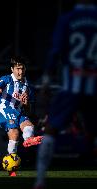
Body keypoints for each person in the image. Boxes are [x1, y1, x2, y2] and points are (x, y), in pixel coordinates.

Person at [34, 0, 97, 188]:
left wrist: (46, 77)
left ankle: (40, 181)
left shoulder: (67, 19)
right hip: (94, 87)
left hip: (71, 86)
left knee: (51, 128)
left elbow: (55, 50)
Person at [0, 56, 43, 176]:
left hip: (19, 113)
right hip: (3, 111)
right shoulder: (7, 79)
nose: (20, 72)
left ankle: (28, 140)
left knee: (29, 126)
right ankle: (11, 167)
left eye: (22, 68)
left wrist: (26, 103)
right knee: (14, 132)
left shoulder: (28, 86)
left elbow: (29, 110)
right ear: (12, 69)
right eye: (17, 69)